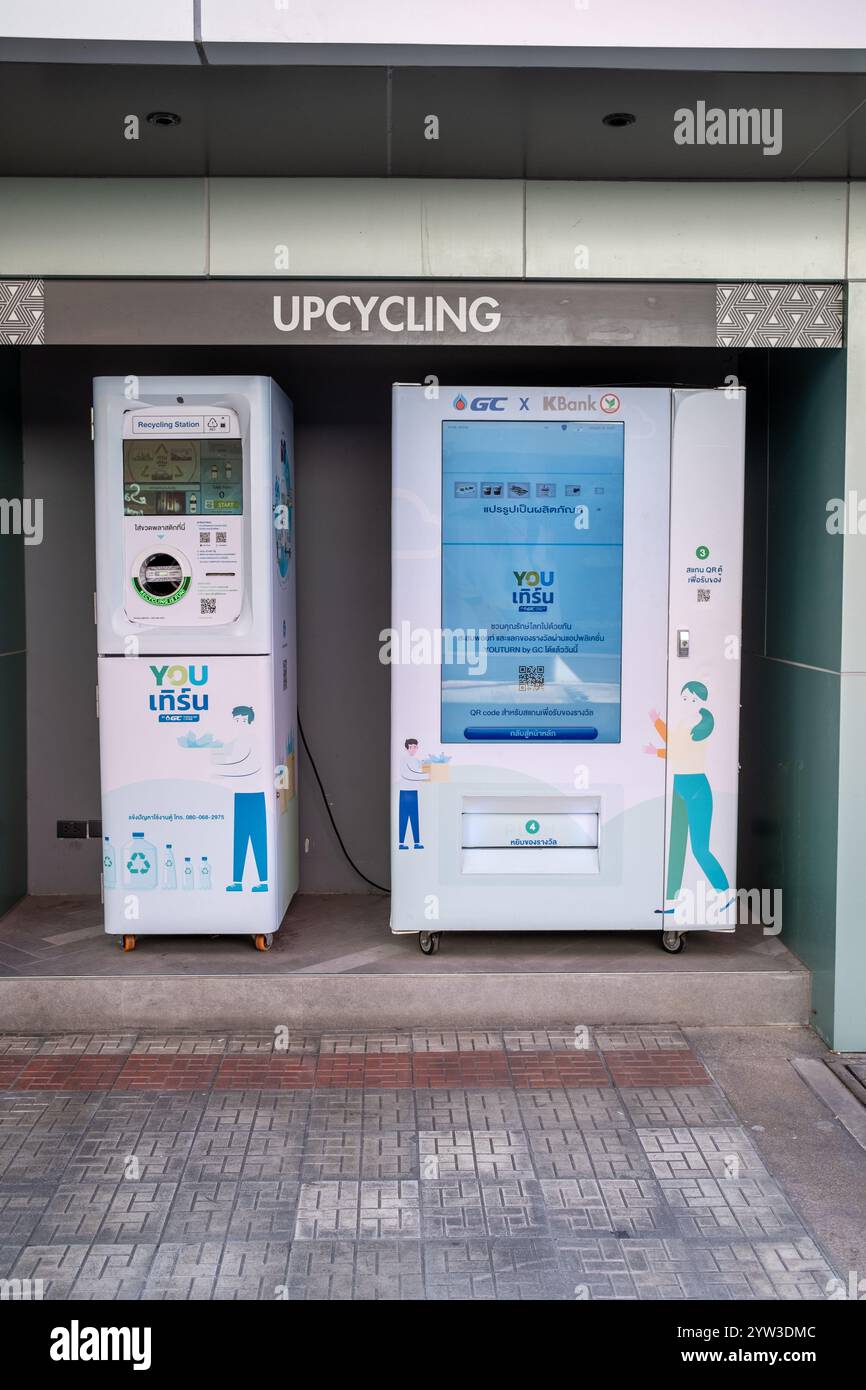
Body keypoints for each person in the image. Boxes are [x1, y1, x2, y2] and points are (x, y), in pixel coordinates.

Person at [645, 682, 729, 903]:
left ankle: (724, 892)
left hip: (697, 787)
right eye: (684, 698)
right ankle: (671, 900)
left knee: (699, 849)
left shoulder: (701, 725)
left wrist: (656, 725)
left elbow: (678, 750)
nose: (687, 703)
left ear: (702, 703)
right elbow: (675, 748)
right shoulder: (684, 723)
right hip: (680, 783)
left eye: (692, 700)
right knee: (676, 846)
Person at [212, 705, 268, 893]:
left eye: (243, 720)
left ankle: (263, 881)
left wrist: (221, 767)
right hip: (241, 795)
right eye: (237, 720)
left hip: (255, 795)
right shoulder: (237, 741)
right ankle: (237, 882)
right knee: (240, 839)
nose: (240, 724)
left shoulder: (253, 741)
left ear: (250, 721)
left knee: (257, 839)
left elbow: (244, 765)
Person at [398, 737, 428, 849]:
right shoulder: (403, 759)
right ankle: (401, 843)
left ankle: (416, 843)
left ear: (417, 748)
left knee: (415, 817)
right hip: (405, 792)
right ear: (407, 748)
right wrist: (426, 776)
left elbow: (421, 770)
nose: (413, 749)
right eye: (410, 747)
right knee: (404, 817)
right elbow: (408, 775)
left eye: (415, 747)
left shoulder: (416, 760)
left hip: (414, 792)